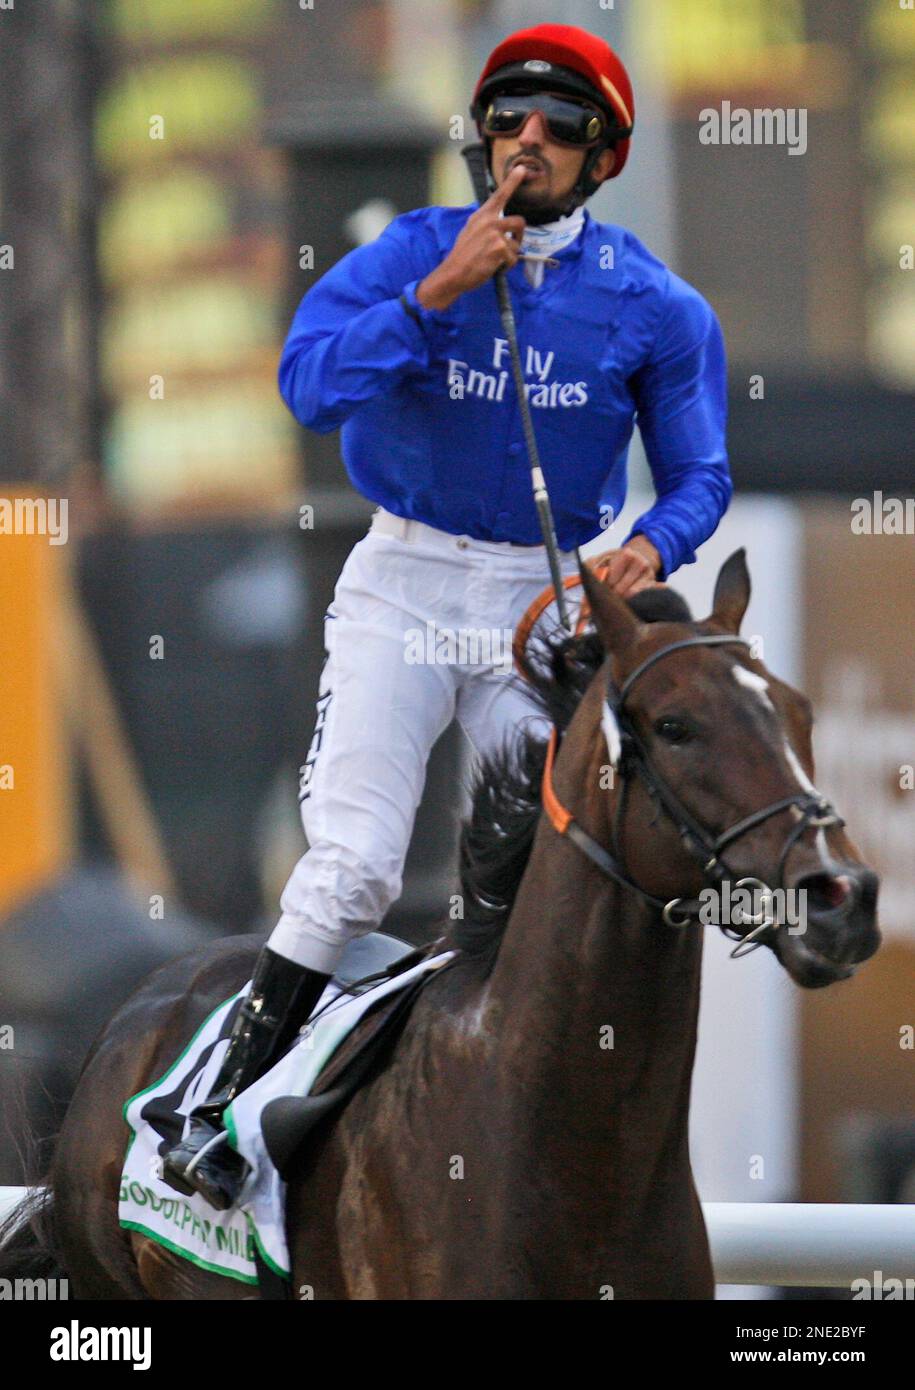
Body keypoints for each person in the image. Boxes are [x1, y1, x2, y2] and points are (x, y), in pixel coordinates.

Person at [163, 22, 732, 1209]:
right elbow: (308, 385)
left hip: (542, 602)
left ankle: (516, 1144)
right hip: (404, 586)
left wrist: (647, 547)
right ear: (481, 139)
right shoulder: (408, 253)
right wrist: (435, 296)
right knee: (357, 868)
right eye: (508, 118)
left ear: (604, 156)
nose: (527, 140)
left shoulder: (658, 306)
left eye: (560, 125)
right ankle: (212, 1095)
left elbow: (699, 479)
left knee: (541, 898)